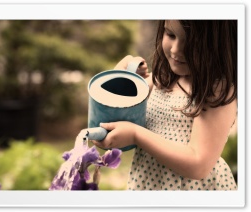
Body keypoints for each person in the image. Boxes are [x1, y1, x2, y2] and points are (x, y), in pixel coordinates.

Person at [91, 20, 237, 190]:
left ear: (218, 44)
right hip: (150, 184)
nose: (175, 49)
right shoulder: (162, 80)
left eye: (191, 41)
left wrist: (136, 135)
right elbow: (116, 107)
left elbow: (198, 165)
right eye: (171, 35)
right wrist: (123, 76)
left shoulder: (216, 91)